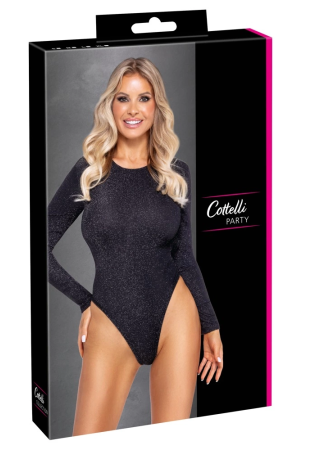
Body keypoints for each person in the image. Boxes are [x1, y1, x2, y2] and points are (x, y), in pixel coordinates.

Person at [47, 57, 223, 436]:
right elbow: (36, 249)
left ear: (156, 106)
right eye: (123, 98)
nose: (133, 109)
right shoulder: (89, 172)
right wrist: (84, 301)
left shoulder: (176, 174)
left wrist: (211, 326)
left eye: (144, 98)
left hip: (177, 317)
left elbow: (184, 257)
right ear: (110, 105)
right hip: (111, 319)